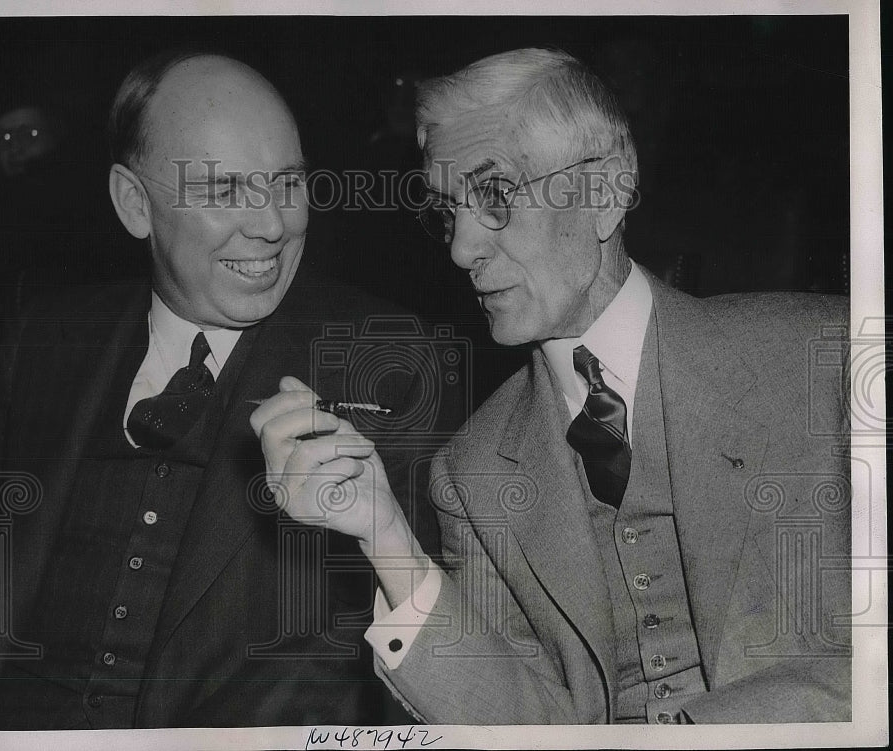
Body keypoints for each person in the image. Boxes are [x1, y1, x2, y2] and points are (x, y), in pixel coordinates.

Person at [252, 47, 851, 724]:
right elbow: (525, 728)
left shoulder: (824, 359)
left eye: (496, 194)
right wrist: (384, 533)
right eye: (447, 212)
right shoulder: (472, 473)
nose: (460, 248)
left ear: (607, 191)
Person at [0, 48, 457, 729]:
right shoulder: (45, 337)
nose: (272, 225)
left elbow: (416, 633)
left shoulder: (381, 355)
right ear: (134, 203)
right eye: (225, 189)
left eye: (287, 184)